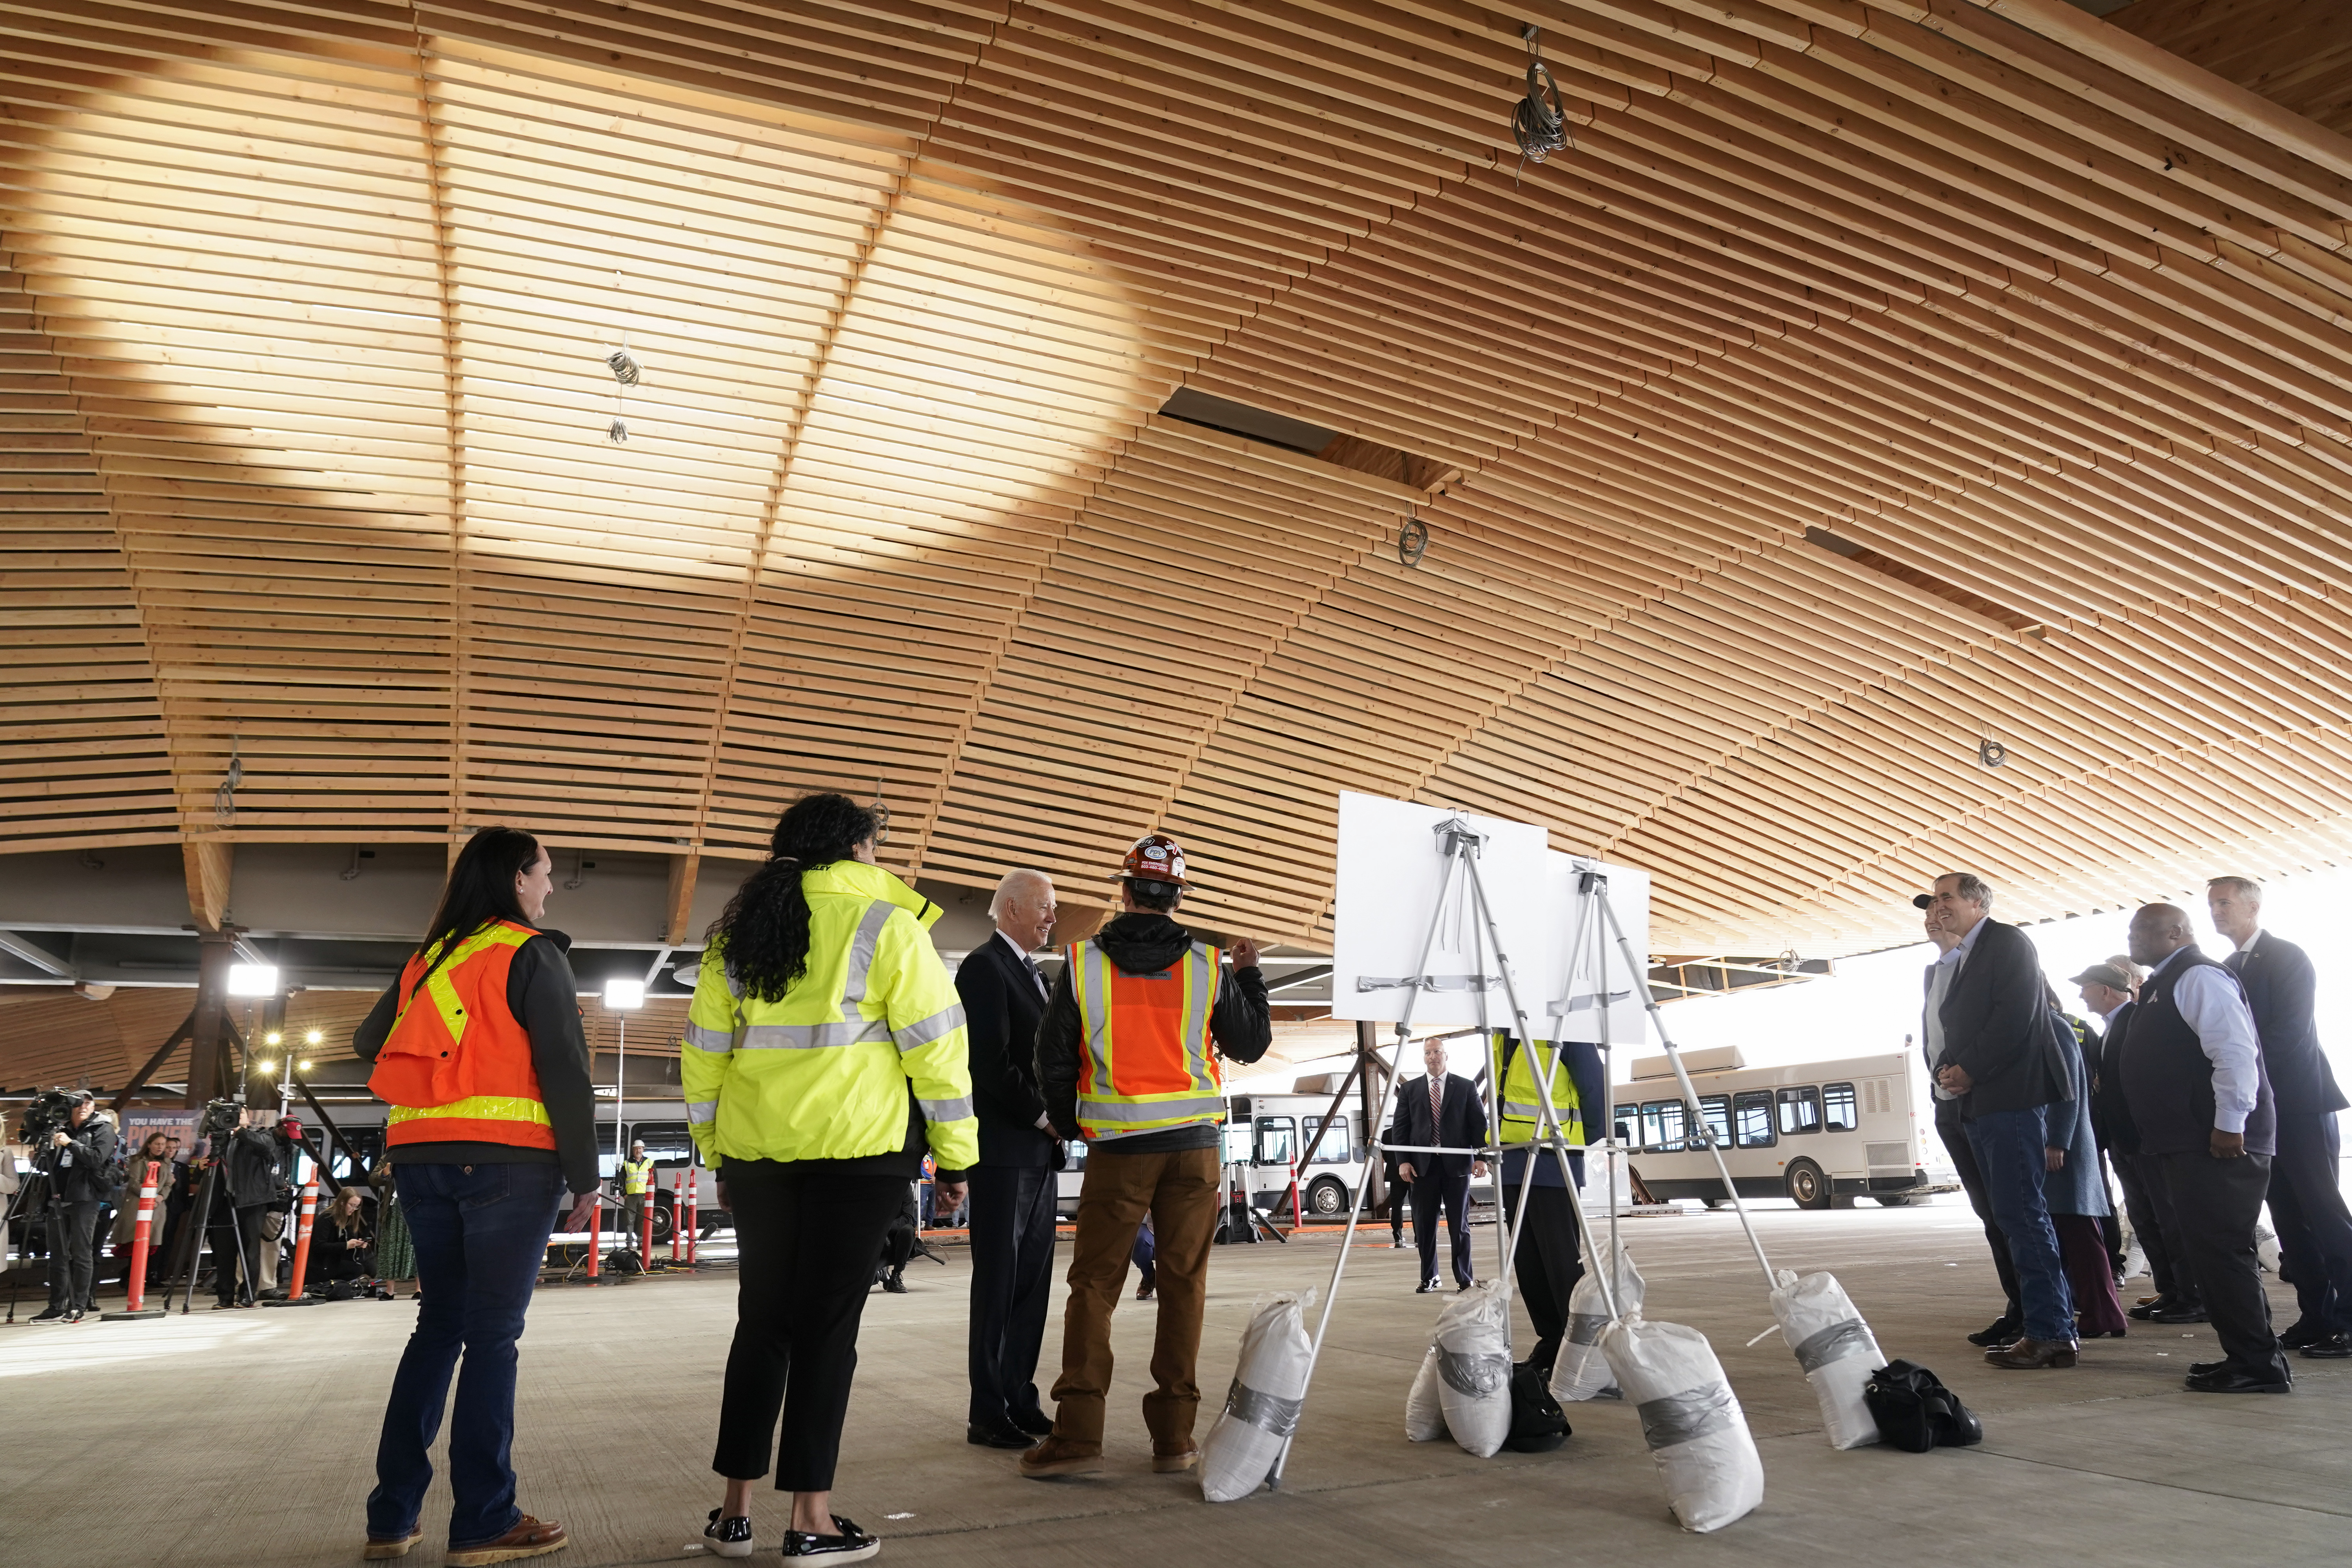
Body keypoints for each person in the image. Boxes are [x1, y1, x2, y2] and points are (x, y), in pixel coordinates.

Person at [682, 792, 977, 1564]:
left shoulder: (740, 938)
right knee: (827, 1329)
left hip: (758, 1154)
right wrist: (956, 1156)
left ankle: (733, 1513)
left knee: (763, 1322)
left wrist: (716, 1150)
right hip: (860, 1154)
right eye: (875, 845)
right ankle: (811, 1518)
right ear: (856, 848)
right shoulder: (889, 927)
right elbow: (937, 1053)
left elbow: (705, 1055)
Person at [353, 825, 602, 1565]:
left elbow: (371, 1042)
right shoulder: (530, 952)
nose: (550, 887)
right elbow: (563, 1064)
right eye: (545, 873)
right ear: (517, 880)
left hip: (419, 1159)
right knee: (493, 1336)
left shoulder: (429, 960)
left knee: (439, 1328)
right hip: (506, 1165)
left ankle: (392, 1518)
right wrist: (587, 1175)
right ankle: (486, 1520)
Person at [1020, 832, 1271, 1481]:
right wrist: (1250, 976)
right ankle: (1174, 1441)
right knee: (1184, 1287)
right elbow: (1249, 1046)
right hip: (1194, 1149)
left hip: (1119, 1150)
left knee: (1094, 1288)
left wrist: (1079, 1124)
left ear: (1125, 890)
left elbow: (1050, 1062)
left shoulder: (1080, 964)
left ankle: (1077, 1436)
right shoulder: (1209, 966)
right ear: (1177, 895)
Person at [2119, 902, 2290, 1392]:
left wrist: (2230, 1123)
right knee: (2212, 1254)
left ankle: (2258, 1365)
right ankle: (2249, 1356)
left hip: (2217, 1144)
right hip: (2188, 1143)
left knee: (2222, 1252)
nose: (2134, 939)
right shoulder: (2164, 983)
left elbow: (2235, 1051)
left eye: (2143, 931)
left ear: (2176, 932)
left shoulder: (2197, 977)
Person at [1919, 872, 2077, 1370]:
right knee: (2011, 1216)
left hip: (2009, 1100)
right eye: (1937, 899)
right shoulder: (1965, 956)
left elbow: (2013, 1018)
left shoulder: (2006, 942)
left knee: (2023, 1215)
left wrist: (1969, 1068)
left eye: (1948, 897)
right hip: (1981, 1102)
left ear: (1977, 903)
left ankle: (2051, 1330)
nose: (1939, 907)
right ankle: (2044, 1324)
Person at [2208, 876, 2352, 1359]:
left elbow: (2287, 1033)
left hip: (2299, 1104)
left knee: (2324, 1214)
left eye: (2225, 902)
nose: (2217, 911)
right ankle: (2319, 1317)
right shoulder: (2227, 967)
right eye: (2212, 904)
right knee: (2289, 1218)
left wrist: (2241, 1080)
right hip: (2261, 1111)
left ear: (2253, 906)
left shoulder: (2287, 956)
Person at [955, 867, 1063, 1449]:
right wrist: (1045, 1116)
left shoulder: (1036, 975)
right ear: (1014, 908)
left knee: (1032, 1284)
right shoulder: (984, 968)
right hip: (1002, 1152)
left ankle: (1021, 1397)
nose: (1053, 918)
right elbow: (990, 1064)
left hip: (1039, 1154)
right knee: (998, 1285)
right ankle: (987, 1411)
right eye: (1046, 907)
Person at [1915, 894, 2022, 1346]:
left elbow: (2006, 1023)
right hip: (1949, 1102)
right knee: (1990, 1214)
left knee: (2013, 1214)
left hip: (1983, 1098)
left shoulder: (1989, 959)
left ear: (1976, 907)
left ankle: (2037, 1312)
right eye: (1928, 911)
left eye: (1944, 906)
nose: (1933, 917)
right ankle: (2018, 1307)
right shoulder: (1935, 971)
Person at [2076, 962, 2195, 1323]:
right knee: (2146, 1219)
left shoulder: (2138, 1021)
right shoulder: (2111, 1028)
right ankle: (2171, 1290)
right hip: (2124, 1140)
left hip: (2144, 1139)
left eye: (2086, 988)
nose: (2081, 995)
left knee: (2167, 1217)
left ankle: (2192, 1295)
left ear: (2106, 991)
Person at [1494, 1031, 1603, 1376]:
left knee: (1561, 1263)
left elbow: (1594, 1087)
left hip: (1553, 1160)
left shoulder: (1564, 1026)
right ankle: (1553, 1341)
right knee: (1528, 1263)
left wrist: (1578, 1140)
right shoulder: (1500, 1034)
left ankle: (1582, 1347)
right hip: (1512, 1159)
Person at [2045, 1004, 2128, 1338]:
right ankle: (2100, 1315)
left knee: (2081, 1236)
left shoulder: (2054, 1028)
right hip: (2054, 1149)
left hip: (2062, 1151)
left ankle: (2104, 1315)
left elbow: (2068, 1093)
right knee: (2072, 1238)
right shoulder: (2038, 1026)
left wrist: (2058, 1141)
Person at [1392, 1038, 1488, 1293]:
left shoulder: (1466, 1087)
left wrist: (1481, 1157)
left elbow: (1479, 1126)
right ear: (1424, 1058)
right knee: (1424, 1226)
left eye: (1437, 1052)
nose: (1432, 1056)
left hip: (1457, 1167)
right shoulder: (1410, 1090)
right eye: (1427, 1053)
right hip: (1422, 1168)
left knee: (1459, 1226)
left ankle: (1464, 1278)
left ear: (1447, 1056)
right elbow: (1400, 1130)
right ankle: (1430, 1277)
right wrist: (1403, 1162)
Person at [29, 1089, 115, 1323]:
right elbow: (50, 1167)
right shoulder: (60, 1127)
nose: (84, 1106)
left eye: (89, 1102)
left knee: (81, 1253)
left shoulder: (103, 1129)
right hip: (57, 1197)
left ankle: (78, 1305)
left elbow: (97, 1159)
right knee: (56, 1255)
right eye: (79, 1103)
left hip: (85, 1199)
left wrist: (71, 1144)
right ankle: (55, 1305)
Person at [210, 1114, 294, 1309]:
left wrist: (240, 1131)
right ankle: (225, 1297)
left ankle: (248, 1296)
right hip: (223, 1200)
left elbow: (266, 1147)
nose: (235, 1116)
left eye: (240, 1113)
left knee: (250, 1251)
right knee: (224, 1252)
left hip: (252, 1201)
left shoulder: (263, 1135)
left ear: (248, 1118)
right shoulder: (222, 1138)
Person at [111, 1131, 174, 1285]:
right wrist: (150, 1197)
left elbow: (168, 1184)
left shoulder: (166, 1163)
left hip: (158, 1208)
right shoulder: (138, 1161)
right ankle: (130, 1278)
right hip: (137, 1206)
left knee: (152, 1244)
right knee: (135, 1244)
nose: (161, 1148)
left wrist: (160, 1197)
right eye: (157, 1144)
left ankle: (146, 1277)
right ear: (149, 1145)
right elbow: (134, 1184)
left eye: (163, 1145)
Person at [318, 1184, 377, 1287]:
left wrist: (357, 1245)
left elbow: (347, 1244)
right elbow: (319, 1246)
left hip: (336, 1260)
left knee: (366, 1264)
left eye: (357, 1206)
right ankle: (329, 1285)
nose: (354, 1209)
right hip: (323, 1263)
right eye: (352, 1205)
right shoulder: (326, 1219)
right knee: (357, 1269)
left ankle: (338, 1285)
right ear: (342, 1203)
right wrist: (346, 1245)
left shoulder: (350, 1219)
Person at [620, 1141, 655, 1251]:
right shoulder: (627, 1164)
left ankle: (640, 1242)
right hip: (631, 1197)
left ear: (643, 1150)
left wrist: (652, 1194)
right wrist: (624, 1194)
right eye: (636, 1149)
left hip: (644, 1197)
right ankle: (629, 1244)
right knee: (629, 1222)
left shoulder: (650, 1162)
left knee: (642, 1221)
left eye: (640, 1149)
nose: (638, 1151)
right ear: (633, 1150)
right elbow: (621, 1180)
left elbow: (655, 1180)